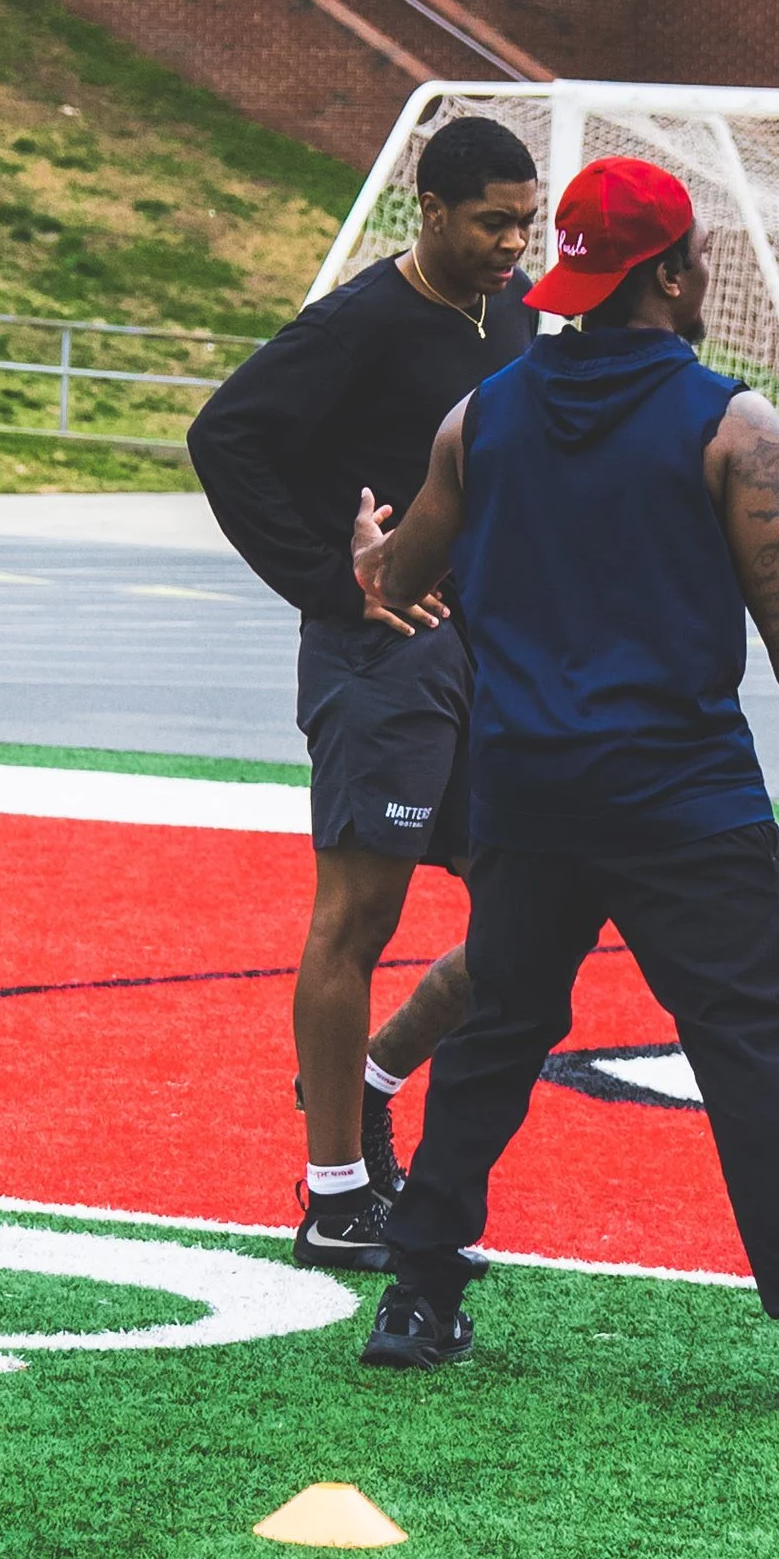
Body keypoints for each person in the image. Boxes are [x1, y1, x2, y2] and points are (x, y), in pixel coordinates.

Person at [349, 153, 779, 1413]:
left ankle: (416, 1298)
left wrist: (373, 556)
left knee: (500, 1038)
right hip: (684, 801)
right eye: (698, 257)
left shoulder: (481, 419)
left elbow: (394, 581)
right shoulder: (729, 424)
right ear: (674, 271)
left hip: (528, 792)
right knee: (743, 1058)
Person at [188, 114, 539, 1268]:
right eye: (491, 222)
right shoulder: (358, 322)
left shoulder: (522, 315)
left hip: (500, 656)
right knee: (358, 920)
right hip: (382, 659)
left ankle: (372, 1078)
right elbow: (223, 435)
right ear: (428, 212)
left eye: (524, 222)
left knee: (533, 920)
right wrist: (331, 584)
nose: (510, 244)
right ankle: (335, 1196)